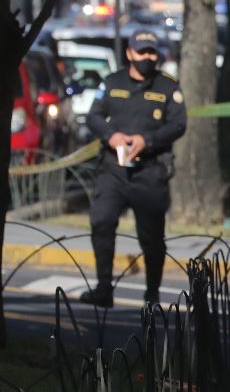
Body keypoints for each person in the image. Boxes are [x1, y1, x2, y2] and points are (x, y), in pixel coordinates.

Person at [80, 31, 186, 308]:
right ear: (130, 54)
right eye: (142, 52)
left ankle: (152, 293)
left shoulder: (167, 87)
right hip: (114, 169)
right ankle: (104, 288)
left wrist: (147, 141)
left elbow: (178, 124)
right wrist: (111, 135)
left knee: (151, 237)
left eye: (152, 52)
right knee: (101, 220)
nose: (147, 58)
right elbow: (93, 116)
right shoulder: (112, 82)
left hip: (150, 170)